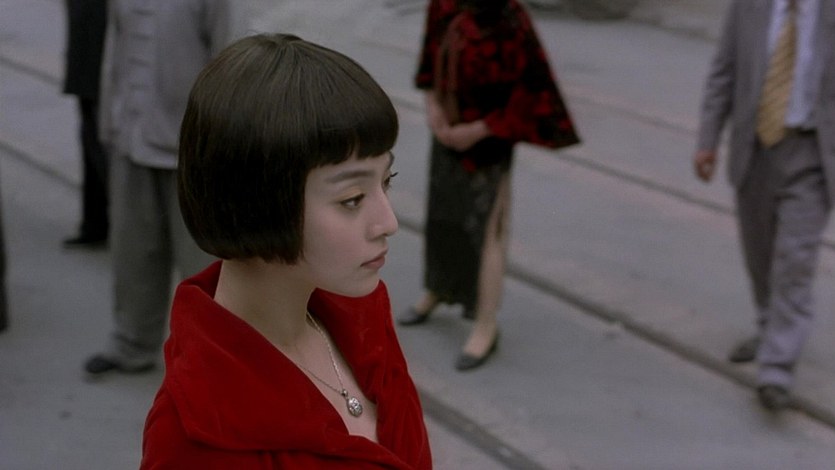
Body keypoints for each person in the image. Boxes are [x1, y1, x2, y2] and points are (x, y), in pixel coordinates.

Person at [139, 33, 432, 468]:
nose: (388, 222)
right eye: (352, 198)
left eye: (386, 181)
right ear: (258, 201)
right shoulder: (196, 436)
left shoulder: (361, 318)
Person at [401, 0, 580, 370]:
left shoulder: (508, 15)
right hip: (448, 131)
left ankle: (486, 324)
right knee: (443, 214)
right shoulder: (443, 3)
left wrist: (479, 130)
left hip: (489, 140)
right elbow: (430, 54)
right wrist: (433, 108)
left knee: (487, 230)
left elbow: (531, 87)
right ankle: (438, 288)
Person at [693, 0, 835, 411]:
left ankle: (777, 368)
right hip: (754, 149)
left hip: (811, 154)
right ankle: (769, 327)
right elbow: (724, 71)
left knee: (794, 259)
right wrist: (707, 140)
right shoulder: (749, 6)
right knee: (760, 253)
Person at [83, 0, 230, 375]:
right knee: (133, 250)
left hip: (194, 149)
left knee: (202, 264)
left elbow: (230, 60)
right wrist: (109, 123)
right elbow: (115, 51)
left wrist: (221, 144)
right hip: (131, 135)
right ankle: (131, 342)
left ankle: (209, 358)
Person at [62, 0, 109, 248]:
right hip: (90, 43)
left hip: (99, 44)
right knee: (91, 131)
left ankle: (102, 220)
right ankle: (95, 220)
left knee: (99, 139)